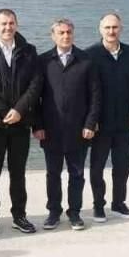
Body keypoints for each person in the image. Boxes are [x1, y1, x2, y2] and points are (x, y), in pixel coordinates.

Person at [0, 8, 44, 236]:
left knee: (18, 173)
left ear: (17, 25)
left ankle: (19, 216)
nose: (7, 27)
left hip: (20, 123)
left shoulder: (29, 51)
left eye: (11, 23)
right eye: (3, 23)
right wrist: (5, 111)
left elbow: (35, 84)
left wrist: (19, 110)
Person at [34, 19, 102, 231]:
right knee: (53, 174)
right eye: (61, 32)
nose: (65, 36)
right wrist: (37, 126)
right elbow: (35, 97)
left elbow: (95, 96)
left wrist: (90, 123)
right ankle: (54, 212)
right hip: (50, 129)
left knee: (77, 174)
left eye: (69, 32)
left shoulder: (86, 60)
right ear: (53, 35)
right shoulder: (43, 61)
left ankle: (74, 213)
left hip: (79, 129)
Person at [84, 11, 129, 222]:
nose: (111, 31)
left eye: (115, 27)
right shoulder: (90, 54)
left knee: (122, 166)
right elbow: (86, 91)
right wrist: (90, 121)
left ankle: (119, 204)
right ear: (100, 30)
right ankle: (98, 206)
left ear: (121, 29)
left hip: (124, 121)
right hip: (100, 122)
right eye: (107, 27)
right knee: (97, 167)